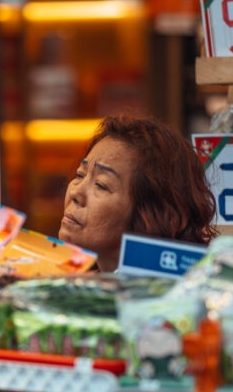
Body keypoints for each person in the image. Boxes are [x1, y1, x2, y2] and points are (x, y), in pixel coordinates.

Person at [58, 114, 217, 273]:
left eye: (101, 185)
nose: (75, 192)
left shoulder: (166, 293)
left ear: (153, 214)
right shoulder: (83, 283)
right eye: (80, 175)